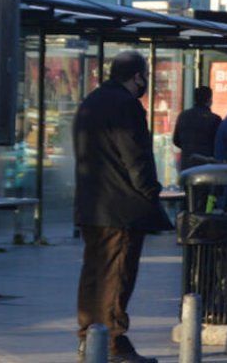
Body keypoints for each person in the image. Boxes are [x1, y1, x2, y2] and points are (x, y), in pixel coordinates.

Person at [72, 50, 172, 363]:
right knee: (117, 275)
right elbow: (135, 156)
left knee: (94, 275)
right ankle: (113, 343)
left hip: (92, 206)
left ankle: (90, 338)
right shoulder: (127, 105)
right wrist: (150, 192)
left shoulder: (91, 101)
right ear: (137, 76)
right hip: (121, 209)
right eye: (145, 76)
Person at [173, 86, 221, 210]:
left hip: (187, 165)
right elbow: (217, 145)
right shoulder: (214, 119)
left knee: (189, 199)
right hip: (206, 167)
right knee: (202, 201)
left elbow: (176, 140)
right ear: (209, 99)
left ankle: (187, 224)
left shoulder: (183, 116)